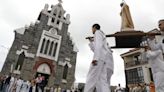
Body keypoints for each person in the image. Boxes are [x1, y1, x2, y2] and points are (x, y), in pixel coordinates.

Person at [84, 24, 114, 92]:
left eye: (92, 28)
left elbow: (98, 45)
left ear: (94, 28)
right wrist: (92, 42)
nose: (92, 30)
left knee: (91, 77)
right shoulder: (102, 35)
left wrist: (95, 58)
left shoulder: (98, 32)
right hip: (103, 59)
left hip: (99, 58)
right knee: (102, 80)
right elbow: (97, 47)